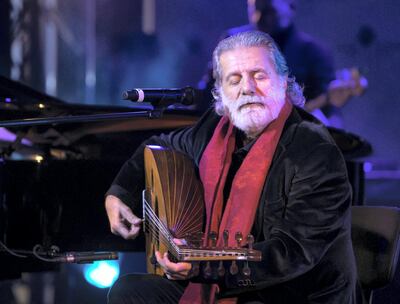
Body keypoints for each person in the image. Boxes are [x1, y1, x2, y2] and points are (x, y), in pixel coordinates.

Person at [105, 30, 357, 303]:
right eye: (234, 80)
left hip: (291, 293)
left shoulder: (315, 151)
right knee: (129, 292)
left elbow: (290, 253)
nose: (247, 88)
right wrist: (120, 192)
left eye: (259, 75)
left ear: (283, 81)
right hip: (221, 282)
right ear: (221, 94)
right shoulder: (214, 130)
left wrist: (202, 267)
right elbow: (159, 145)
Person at [198, 0, 344, 127]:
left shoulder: (314, 53)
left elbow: (330, 114)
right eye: (255, 10)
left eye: (268, 12)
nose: (258, 18)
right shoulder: (231, 41)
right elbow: (207, 96)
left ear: (291, 6)